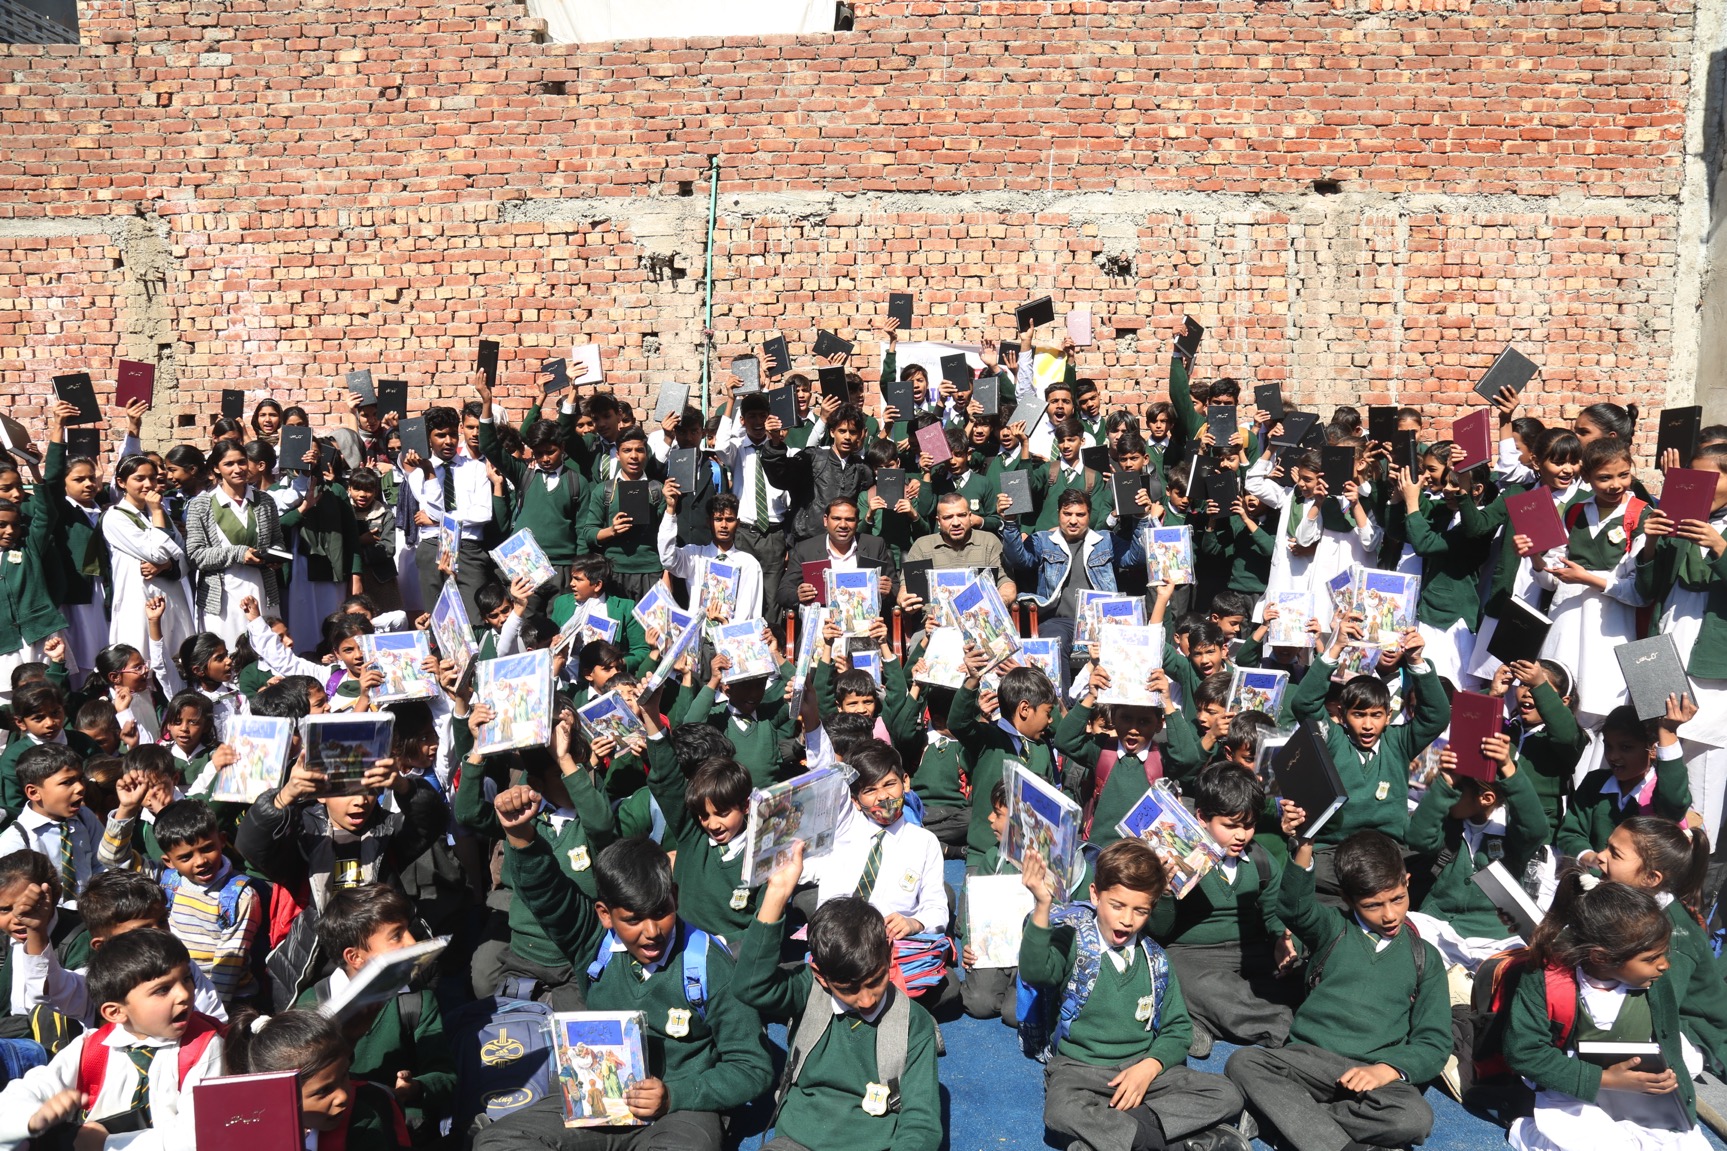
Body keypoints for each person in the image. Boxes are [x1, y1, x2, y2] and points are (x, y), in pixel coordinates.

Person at [476, 813, 773, 1151]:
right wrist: (520, 836)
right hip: (598, 1100)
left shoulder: (710, 966)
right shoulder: (593, 944)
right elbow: (549, 894)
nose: (652, 932)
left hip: (682, 1109)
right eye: (633, 920)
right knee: (499, 1140)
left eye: (661, 912)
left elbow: (753, 1067)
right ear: (605, 914)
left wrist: (675, 1094)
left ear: (674, 896)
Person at [1019, 838, 1250, 1151]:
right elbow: (1035, 972)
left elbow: (1178, 1029)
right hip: (1080, 1072)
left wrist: (1149, 1066)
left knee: (1227, 1094)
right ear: (1095, 895)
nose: (1127, 920)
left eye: (1140, 910)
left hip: (1143, 1072)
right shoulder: (1072, 942)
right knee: (1061, 1112)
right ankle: (1169, 1140)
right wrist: (1042, 905)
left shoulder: (1156, 959)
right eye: (1117, 906)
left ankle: (1113, 1135)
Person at [1226, 829, 1449, 1151]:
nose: (1390, 915)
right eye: (1373, 905)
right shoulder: (1333, 928)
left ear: (1407, 881)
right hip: (1310, 1060)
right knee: (1244, 1062)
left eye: (1398, 899)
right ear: (1347, 899)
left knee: (1413, 1119)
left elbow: (1434, 1041)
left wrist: (1386, 1070)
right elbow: (1294, 908)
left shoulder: (1425, 957)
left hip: (1374, 1073)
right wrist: (1305, 845)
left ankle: (1286, 1119)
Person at [734, 839, 942, 1151]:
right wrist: (776, 894)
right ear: (821, 976)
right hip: (796, 1140)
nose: (867, 1000)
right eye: (848, 989)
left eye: (875, 981)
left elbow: (921, 1124)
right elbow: (750, 986)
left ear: (889, 955)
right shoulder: (808, 991)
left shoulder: (914, 1023)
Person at [1502, 873, 1703, 1151]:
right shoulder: (1547, 979)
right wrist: (1606, 1080)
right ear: (1601, 957)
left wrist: (1669, 1083)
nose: (1664, 965)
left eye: (1663, 954)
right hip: (1570, 1091)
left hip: (1636, 1095)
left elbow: (1668, 1041)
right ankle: (1526, 1131)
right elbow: (1524, 1052)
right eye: (1651, 958)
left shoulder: (1654, 982)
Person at [0, 929, 223, 1147]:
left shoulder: (205, 1048)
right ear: (115, 1012)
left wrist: (105, 1144)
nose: (184, 994)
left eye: (186, 979)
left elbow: (198, 1135)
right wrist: (32, 1118)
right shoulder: (92, 1047)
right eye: (162, 990)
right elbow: (28, 1090)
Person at [1149, 764, 1297, 1057]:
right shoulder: (1175, 860)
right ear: (1202, 818)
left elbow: (1273, 914)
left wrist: (1283, 941)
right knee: (1183, 979)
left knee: (1300, 974)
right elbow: (1158, 931)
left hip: (1248, 953)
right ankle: (1286, 1028)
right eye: (1230, 826)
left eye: (1249, 825)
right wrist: (1165, 893)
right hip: (1191, 956)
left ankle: (1198, 1021)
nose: (1241, 835)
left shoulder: (1261, 861)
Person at [293, 884, 456, 1141]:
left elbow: (446, 1075)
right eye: (396, 936)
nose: (412, 942)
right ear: (355, 957)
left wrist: (416, 1087)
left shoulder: (416, 1001)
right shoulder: (312, 1004)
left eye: (408, 930)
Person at [223, 1007, 411, 1149]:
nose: (342, 1096)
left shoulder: (367, 1121)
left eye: (344, 1075)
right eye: (323, 1090)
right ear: (278, 1098)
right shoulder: (254, 1134)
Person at [184, 437, 285, 645]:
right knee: (228, 650)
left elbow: (277, 541)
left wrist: (275, 556)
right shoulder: (201, 505)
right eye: (229, 464)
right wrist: (238, 553)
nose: (237, 469)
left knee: (267, 648)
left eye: (241, 462)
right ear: (216, 469)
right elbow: (195, 555)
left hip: (262, 589)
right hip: (222, 597)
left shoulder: (265, 501)